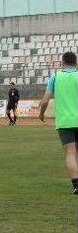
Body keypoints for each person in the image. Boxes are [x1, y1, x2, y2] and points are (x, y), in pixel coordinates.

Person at [39, 51, 78, 194]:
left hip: (64, 122)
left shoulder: (55, 77)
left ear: (63, 62)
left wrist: (41, 114)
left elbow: (45, 100)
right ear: (76, 63)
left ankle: (76, 184)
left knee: (70, 152)